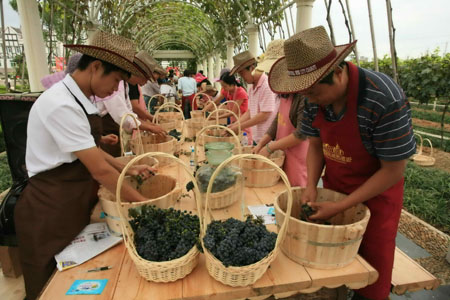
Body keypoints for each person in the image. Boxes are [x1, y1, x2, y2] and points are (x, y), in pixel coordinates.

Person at [268, 26, 416, 300]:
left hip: (377, 201)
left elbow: (394, 170)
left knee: (371, 275)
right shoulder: (313, 98)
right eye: (305, 95)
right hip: (334, 190)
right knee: (328, 267)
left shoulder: (383, 98)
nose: (309, 101)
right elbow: (315, 144)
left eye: (313, 93)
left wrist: (342, 206)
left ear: (337, 72)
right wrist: (312, 186)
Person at [14, 30, 156, 300]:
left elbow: (93, 153)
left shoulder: (78, 100)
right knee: (50, 288)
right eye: (115, 80)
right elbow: (99, 170)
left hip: (69, 204)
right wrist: (144, 208)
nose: (116, 89)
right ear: (95, 67)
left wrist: (126, 167)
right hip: (48, 212)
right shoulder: (61, 105)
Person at [254, 39, 309, 187]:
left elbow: (301, 134)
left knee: (294, 198)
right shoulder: (284, 93)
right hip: (282, 156)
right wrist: (261, 143)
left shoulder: (303, 96)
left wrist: (270, 148)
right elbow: (277, 122)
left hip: (298, 161)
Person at [228, 51, 279, 144]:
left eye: (242, 74)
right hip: (257, 138)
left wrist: (239, 126)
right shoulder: (252, 88)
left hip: (268, 141)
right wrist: (235, 124)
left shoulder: (266, 85)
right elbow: (250, 111)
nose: (242, 77)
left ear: (252, 68)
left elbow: (264, 115)